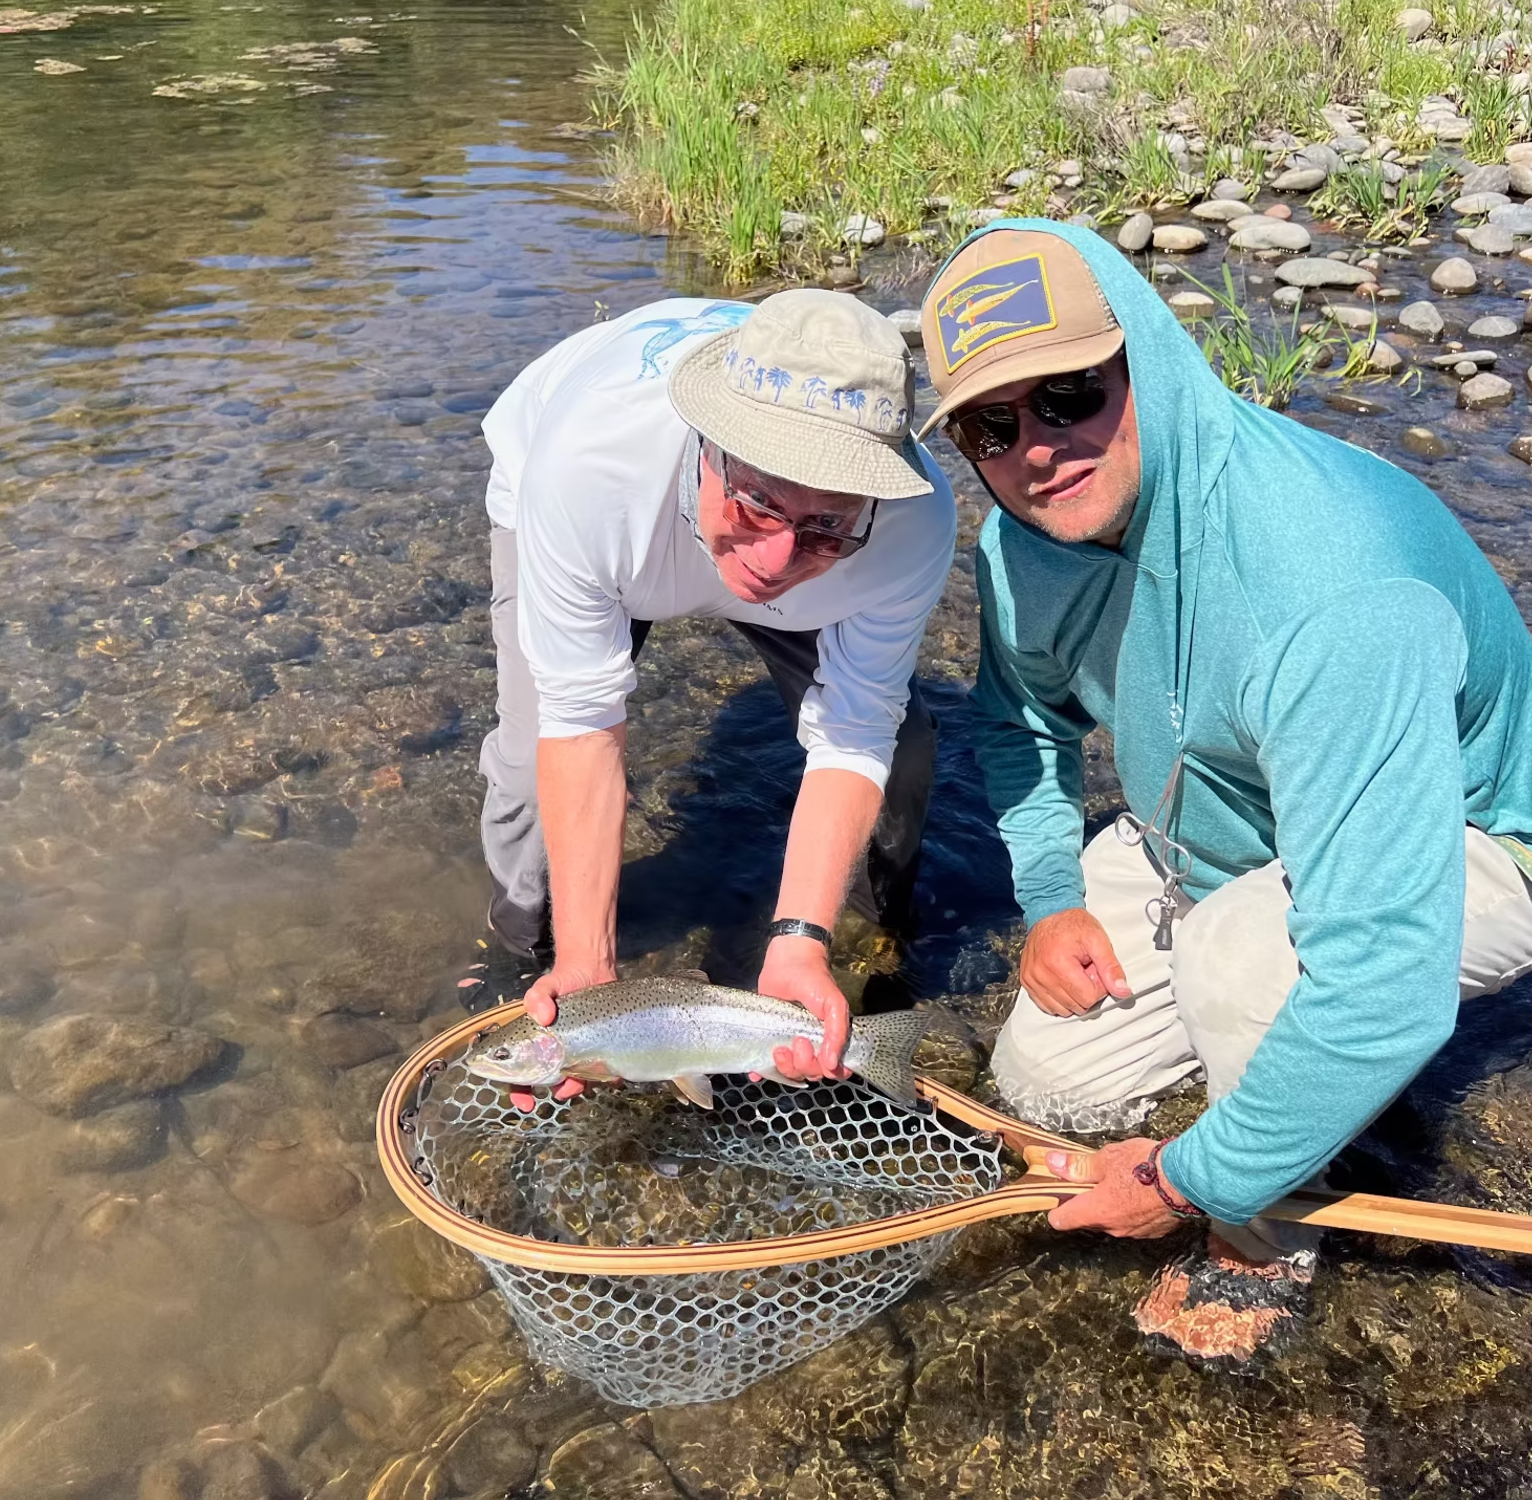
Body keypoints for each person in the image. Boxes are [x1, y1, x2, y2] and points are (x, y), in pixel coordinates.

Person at [918, 221, 1532, 1365]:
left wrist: (1188, 1180)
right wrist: (1051, 895)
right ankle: (1284, 1094)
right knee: (1043, 1084)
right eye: (991, 426)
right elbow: (1022, 722)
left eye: (1066, 393)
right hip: (1204, 831)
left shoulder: (1331, 590)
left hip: (1472, 829)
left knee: (1245, 963)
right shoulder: (1023, 547)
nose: (1037, 449)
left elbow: (1383, 979)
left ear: (1140, 359)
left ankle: (1262, 1245)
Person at [477, 288, 956, 1097]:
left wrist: (800, 936)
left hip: (698, 520)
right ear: (706, 445)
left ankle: (882, 931)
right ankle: (519, 948)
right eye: (756, 501)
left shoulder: (909, 525)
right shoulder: (587, 467)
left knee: (906, 749)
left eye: (825, 525)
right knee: (530, 773)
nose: (772, 561)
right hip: (601, 522)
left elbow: (853, 729)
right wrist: (589, 971)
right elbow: (583, 720)